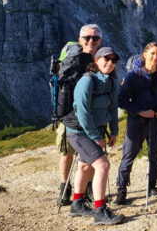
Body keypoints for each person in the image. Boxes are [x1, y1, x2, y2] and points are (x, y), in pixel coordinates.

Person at [66, 47, 124, 225]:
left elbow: (113, 108)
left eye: (113, 61)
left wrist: (114, 131)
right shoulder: (86, 81)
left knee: (85, 167)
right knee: (103, 165)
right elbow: (83, 112)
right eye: (106, 59)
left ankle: (77, 204)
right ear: (96, 60)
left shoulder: (112, 81)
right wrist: (95, 136)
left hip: (96, 131)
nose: (110, 63)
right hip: (79, 131)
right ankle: (100, 211)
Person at [114, 42, 157, 205]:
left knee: (154, 155)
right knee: (128, 155)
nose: (155, 57)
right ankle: (121, 189)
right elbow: (122, 99)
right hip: (136, 120)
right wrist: (140, 110)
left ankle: (152, 186)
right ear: (145, 55)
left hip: (155, 120)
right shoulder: (133, 76)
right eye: (152, 53)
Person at [56, 24, 102, 206]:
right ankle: (64, 188)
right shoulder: (71, 59)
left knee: (91, 153)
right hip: (68, 115)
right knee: (67, 153)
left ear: (100, 41)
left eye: (95, 38)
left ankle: (88, 188)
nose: (91, 41)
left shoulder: (102, 59)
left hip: (92, 115)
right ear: (80, 39)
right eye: (87, 37)